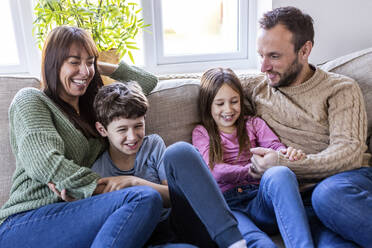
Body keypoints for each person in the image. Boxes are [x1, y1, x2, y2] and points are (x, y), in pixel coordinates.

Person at [0, 26, 161, 248]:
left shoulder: (95, 108)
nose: (84, 71)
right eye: (74, 62)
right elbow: (45, 164)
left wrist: (97, 65)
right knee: (143, 197)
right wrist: (101, 188)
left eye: (89, 62)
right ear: (53, 64)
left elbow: (147, 82)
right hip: (25, 221)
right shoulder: (31, 99)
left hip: (75, 214)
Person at [241, 6, 369, 247]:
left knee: (327, 194)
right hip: (298, 204)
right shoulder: (256, 89)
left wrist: (285, 164)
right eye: (261, 55)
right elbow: (215, 86)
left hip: (343, 186)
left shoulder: (340, 89)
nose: (263, 67)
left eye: (274, 56)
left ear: (305, 50)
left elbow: (349, 154)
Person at [88, 81, 247, 248]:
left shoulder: (153, 145)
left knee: (180, 150)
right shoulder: (99, 170)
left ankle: (234, 242)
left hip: (178, 224)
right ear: (102, 130)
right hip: (145, 238)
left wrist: (134, 182)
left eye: (138, 126)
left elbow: (173, 197)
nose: (132, 136)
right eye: (122, 130)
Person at [192, 67, 313, 248]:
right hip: (230, 207)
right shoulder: (202, 132)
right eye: (220, 104)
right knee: (261, 244)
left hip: (261, 200)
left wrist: (287, 155)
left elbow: (274, 148)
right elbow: (214, 171)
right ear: (208, 104)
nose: (228, 109)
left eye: (234, 101)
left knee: (281, 173)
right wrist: (252, 170)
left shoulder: (254, 123)